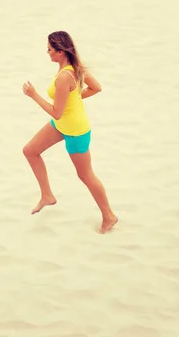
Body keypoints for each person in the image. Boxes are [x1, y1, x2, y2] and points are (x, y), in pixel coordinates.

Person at [22, 31, 118, 234]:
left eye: (49, 49)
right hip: (63, 125)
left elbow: (57, 113)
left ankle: (109, 216)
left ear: (59, 51)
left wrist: (33, 95)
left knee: (85, 175)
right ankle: (47, 195)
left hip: (75, 130)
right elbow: (96, 88)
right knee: (30, 150)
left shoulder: (65, 76)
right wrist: (73, 99)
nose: (47, 53)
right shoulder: (74, 68)